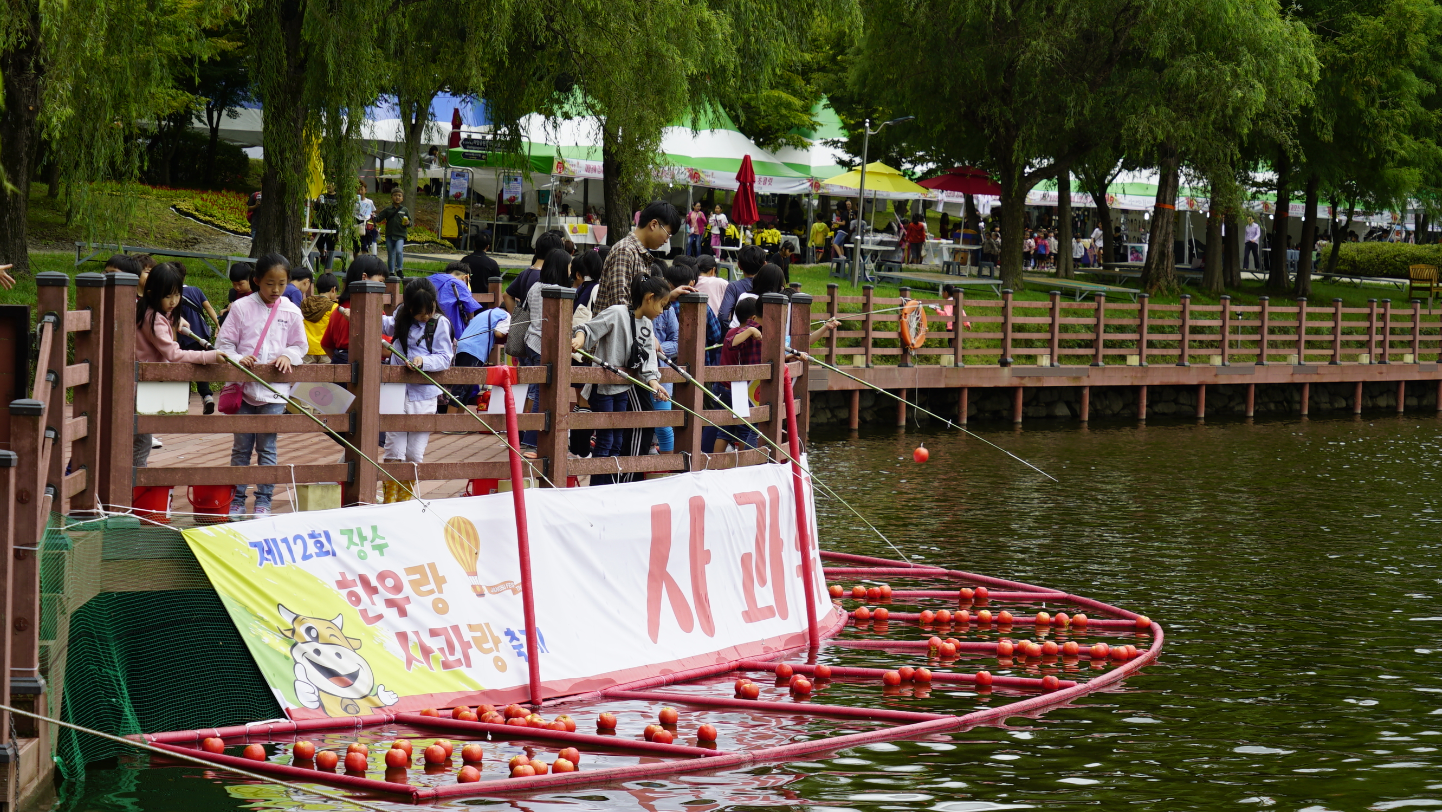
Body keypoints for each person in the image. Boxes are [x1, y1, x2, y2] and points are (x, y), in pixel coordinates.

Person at [215, 254, 307, 518]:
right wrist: (237, 358)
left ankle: (264, 499)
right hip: (243, 389)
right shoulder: (241, 308)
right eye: (269, 284)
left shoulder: (291, 310)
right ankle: (237, 498)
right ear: (256, 281)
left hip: (275, 393)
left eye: (281, 283)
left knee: (267, 447)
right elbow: (224, 344)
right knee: (241, 447)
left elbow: (300, 345)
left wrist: (287, 355)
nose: (275, 290)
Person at [571, 273, 672, 486]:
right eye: (661, 305)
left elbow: (648, 360)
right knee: (606, 440)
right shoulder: (617, 313)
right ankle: (597, 487)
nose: (662, 311)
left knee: (617, 440)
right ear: (649, 298)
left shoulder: (646, 324)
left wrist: (654, 383)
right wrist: (579, 340)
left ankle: (610, 486)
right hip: (604, 388)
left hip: (623, 388)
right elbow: (589, 328)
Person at [133, 263, 225, 467]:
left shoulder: (145, 309)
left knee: (139, 438)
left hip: (141, 382)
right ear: (152, 293)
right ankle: (132, 487)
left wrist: (176, 320)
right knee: (141, 442)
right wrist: (210, 356)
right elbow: (173, 354)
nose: (174, 301)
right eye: (168, 296)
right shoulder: (155, 318)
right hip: (143, 384)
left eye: (176, 295)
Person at [378, 278, 452, 501]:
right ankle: (390, 502)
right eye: (420, 314)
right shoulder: (402, 316)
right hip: (396, 392)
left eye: (428, 311)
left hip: (424, 394)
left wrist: (422, 361)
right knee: (394, 449)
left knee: (414, 454)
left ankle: (405, 501)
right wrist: (362, 314)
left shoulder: (440, 324)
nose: (425, 316)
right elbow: (387, 324)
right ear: (409, 308)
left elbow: (445, 358)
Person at [595, 200, 683, 311]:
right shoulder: (625, 251)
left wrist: (668, 297)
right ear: (654, 224)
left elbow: (640, 302)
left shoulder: (640, 254)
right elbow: (619, 308)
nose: (666, 240)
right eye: (668, 234)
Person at [168, 262, 222, 414]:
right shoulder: (196, 291)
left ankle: (183, 402)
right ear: (184, 277)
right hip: (201, 337)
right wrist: (218, 324)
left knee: (184, 367)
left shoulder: (168, 295)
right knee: (201, 367)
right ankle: (207, 397)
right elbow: (209, 308)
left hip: (182, 337)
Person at [323, 256, 389, 366]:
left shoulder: (337, 311)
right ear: (364, 277)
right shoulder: (373, 313)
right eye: (380, 281)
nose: (384, 287)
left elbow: (326, 345)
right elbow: (387, 350)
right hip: (368, 369)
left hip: (340, 369)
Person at [716, 296, 762, 451]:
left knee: (724, 430)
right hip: (736, 388)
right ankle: (743, 466)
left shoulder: (730, 331)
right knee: (743, 430)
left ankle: (716, 468)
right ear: (753, 318)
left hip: (724, 387)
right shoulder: (743, 334)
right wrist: (751, 330)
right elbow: (732, 343)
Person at [504, 229, 567, 311]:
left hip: (527, 321)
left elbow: (507, 295)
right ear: (555, 254)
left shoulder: (525, 273)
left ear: (536, 250)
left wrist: (518, 319)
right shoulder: (546, 276)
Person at [428, 262, 483, 335]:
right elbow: (470, 308)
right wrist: (470, 321)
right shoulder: (459, 284)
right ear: (465, 277)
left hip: (427, 325)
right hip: (451, 328)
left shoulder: (430, 279)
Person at [718, 244, 766, 326]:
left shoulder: (734, 287)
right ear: (765, 264)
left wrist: (733, 330)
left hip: (739, 334)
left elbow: (723, 316)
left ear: (739, 265)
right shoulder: (770, 285)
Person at [300, 273, 339, 364]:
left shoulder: (305, 304)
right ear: (333, 289)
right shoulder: (334, 307)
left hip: (307, 349)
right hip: (325, 350)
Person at [375, 188, 411, 275]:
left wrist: (408, 222)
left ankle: (399, 269)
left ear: (402, 198)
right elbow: (379, 218)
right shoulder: (388, 209)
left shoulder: (404, 210)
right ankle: (391, 271)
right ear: (391, 197)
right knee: (391, 253)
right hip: (390, 235)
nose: (397, 197)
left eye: (399, 196)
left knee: (399, 251)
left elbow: (410, 222)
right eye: (395, 195)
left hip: (400, 235)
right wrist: (372, 216)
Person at [313, 186, 339, 270]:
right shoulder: (322, 196)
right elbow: (316, 209)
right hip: (322, 223)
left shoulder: (338, 197)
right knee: (319, 242)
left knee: (331, 244)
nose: (329, 186)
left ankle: (328, 263)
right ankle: (322, 255)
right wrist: (317, 203)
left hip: (333, 223)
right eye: (327, 183)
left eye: (331, 183)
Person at [355, 181, 378, 256]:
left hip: (365, 224)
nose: (360, 192)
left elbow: (373, 213)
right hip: (356, 223)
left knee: (364, 245)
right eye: (358, 190)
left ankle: (364, 262)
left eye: (362, 189)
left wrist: (375, 225)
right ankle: (356, 263)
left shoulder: (369, 202)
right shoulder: (352, 201)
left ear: (365, 190)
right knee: (356, 246)